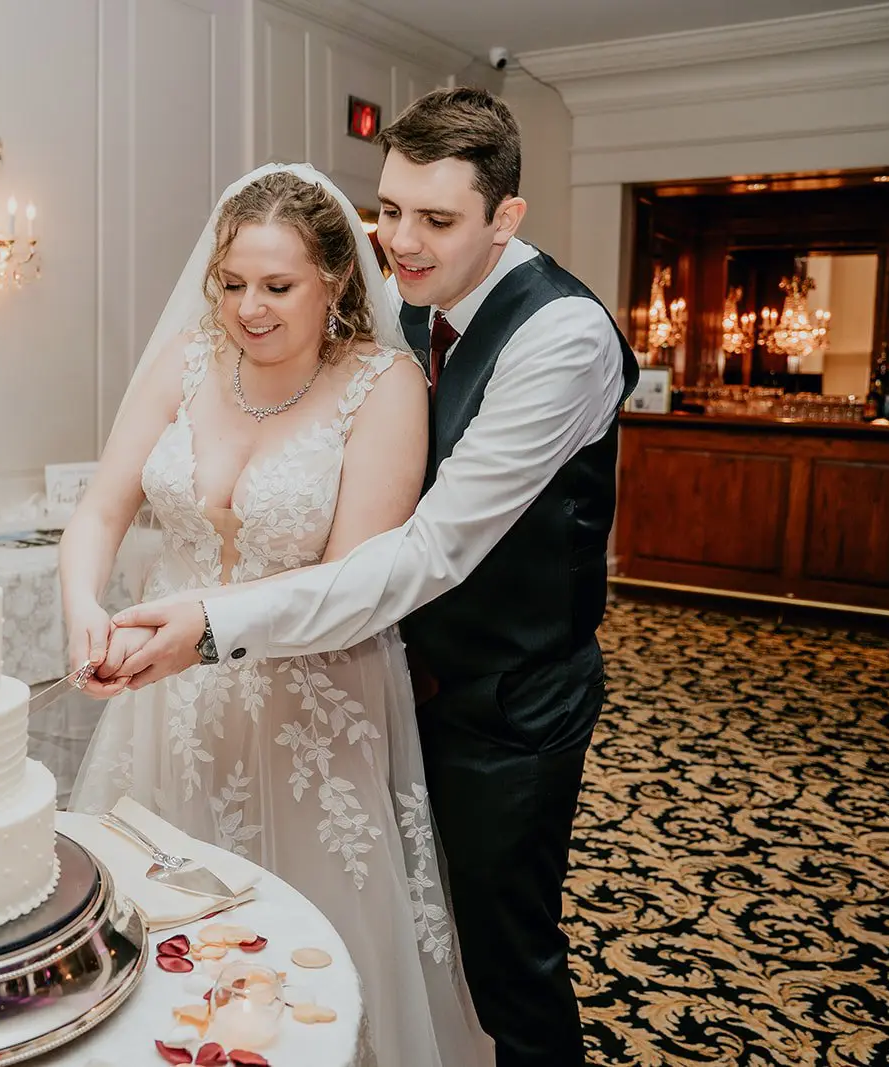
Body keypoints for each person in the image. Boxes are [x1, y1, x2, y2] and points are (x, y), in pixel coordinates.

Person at [106, 87, 640, 1067]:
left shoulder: (561, 339)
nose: (400, 241)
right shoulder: (400, 287)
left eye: (436, 219)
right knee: (374, 914)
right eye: (387, 209)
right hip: (383, 679)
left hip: (504, 698)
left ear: (504, 217)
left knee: (501, 954)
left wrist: (213, 622)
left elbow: (427, 550)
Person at [59, 163, 493, 1067]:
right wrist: (84, 612)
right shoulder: (185, 363)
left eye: (277, 286)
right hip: (164, 710)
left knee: (303, 972)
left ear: (335, 279)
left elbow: (347, 584)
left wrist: (200, 632)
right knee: (155, 961)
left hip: (310, 712)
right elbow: (101, 511)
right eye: (232, 284)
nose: (248, 308)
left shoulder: (384, 386)